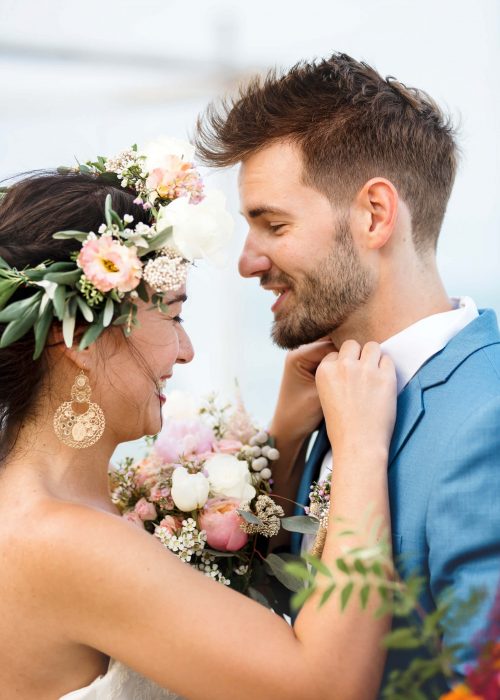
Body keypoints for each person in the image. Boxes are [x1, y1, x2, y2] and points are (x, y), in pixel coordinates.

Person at [0, 160, 397, 699]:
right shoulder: (65, 540)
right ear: (81, 343)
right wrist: (362, 449)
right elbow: (325, 687)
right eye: (173, 316)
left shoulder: (46, 511)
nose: (186, 351)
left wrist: (282, 437)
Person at [194, 52, 500, 691]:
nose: (248, 262)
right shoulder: (333, 395)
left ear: (374, 215)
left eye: (272, 224)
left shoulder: (487, 414)